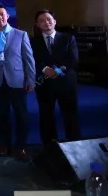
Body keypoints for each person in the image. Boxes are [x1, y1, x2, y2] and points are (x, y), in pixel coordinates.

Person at [0, 5, 35, 161]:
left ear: (7, 16)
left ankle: (21, 146)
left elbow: (29, 59)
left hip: (17, 80)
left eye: (2, 14)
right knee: (2, 115)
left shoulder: (20, 34)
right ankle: (4, 145)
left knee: (21, 115)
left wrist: (31, 79)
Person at [32, 10, 81, 144]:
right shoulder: (33, 41)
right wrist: (44, 69)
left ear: (55, 21)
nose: (46, 22)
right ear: (37, 24)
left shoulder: (68, 38)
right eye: (42, 21)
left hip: (66, 83)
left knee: (70, 115)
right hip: (45, 84)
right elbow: (32, 60)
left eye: (49, 19)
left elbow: (73, 60)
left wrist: (57, 71)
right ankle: (50, 146)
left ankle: (74, 144)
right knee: (46, 116)